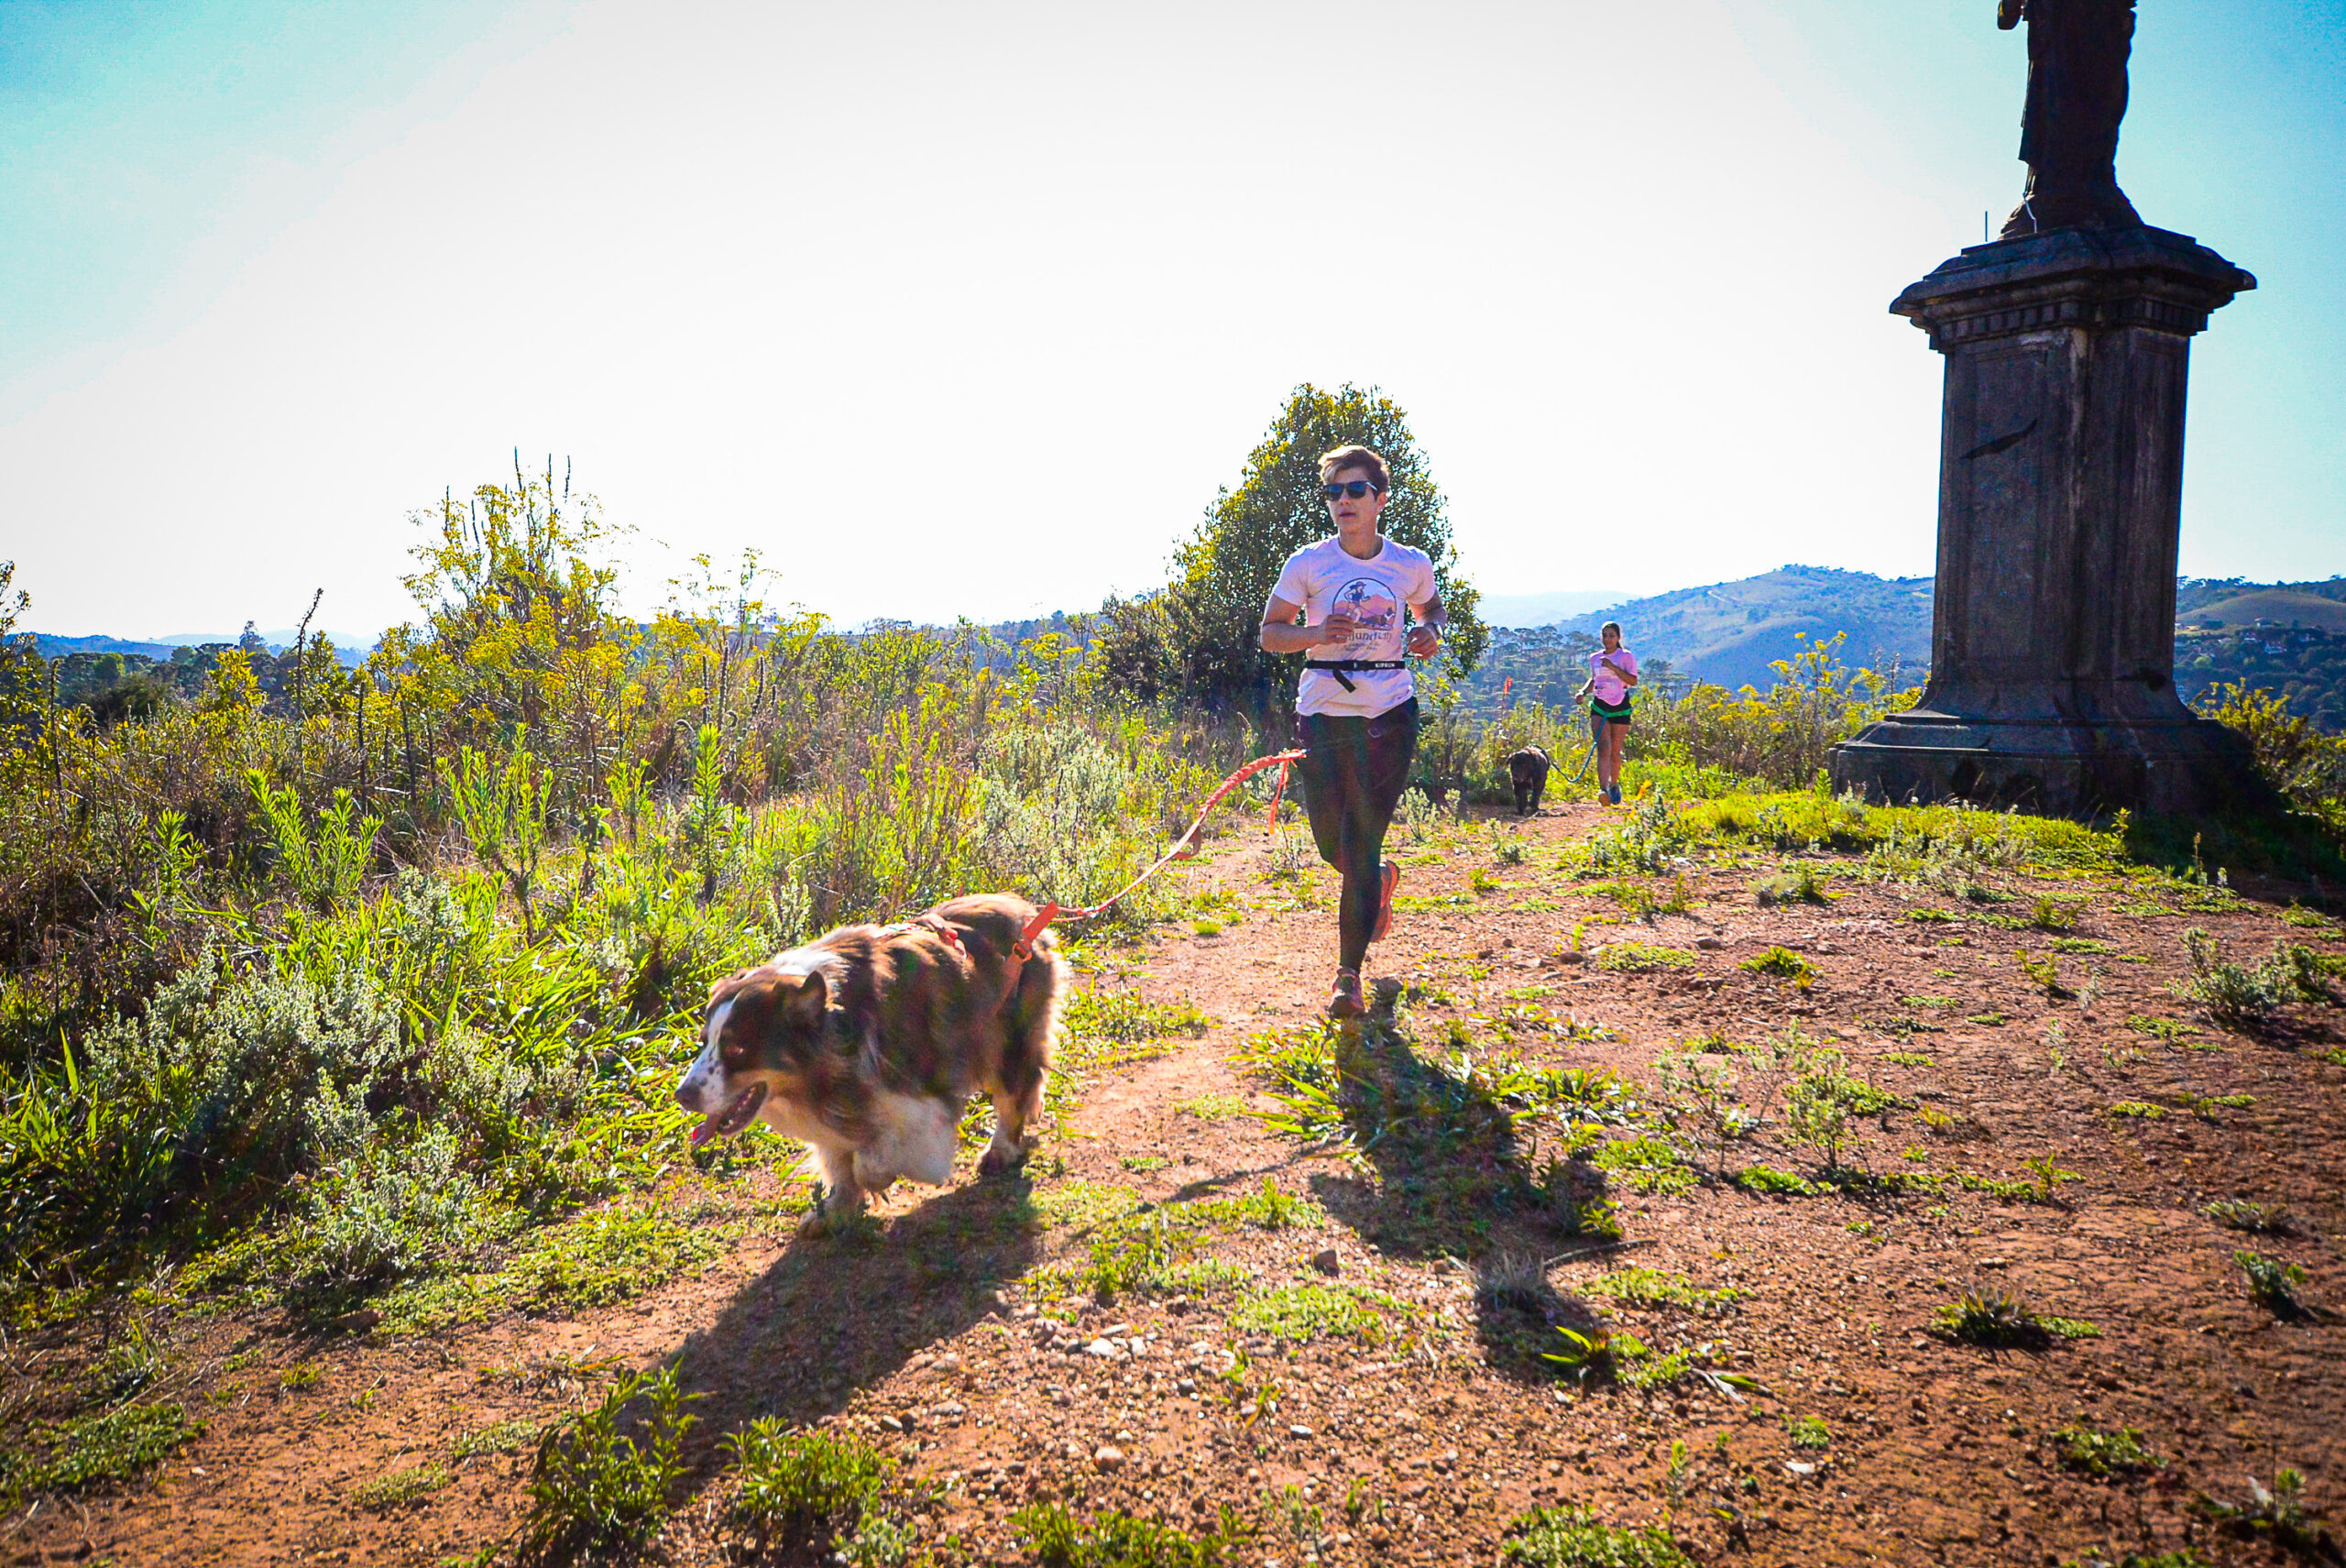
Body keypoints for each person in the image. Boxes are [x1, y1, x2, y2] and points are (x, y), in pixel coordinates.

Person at [1259, 444, 1445, 1019]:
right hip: (1322, 714)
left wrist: (1431, 633)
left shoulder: (1410, 563)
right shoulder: (1308, 564)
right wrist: (1316, 633)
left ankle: (1348, 977)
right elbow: (1271, 633)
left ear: (1380, 499)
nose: (1343, 500)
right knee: (1329, 844)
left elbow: (1433, 609)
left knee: (1361, 843)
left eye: (1355, 489)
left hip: (1389, 713)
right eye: (1334, 492)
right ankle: (1377, 880)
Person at [1576, 620, 1638, 806]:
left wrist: (1613, 667)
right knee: (1603, 747)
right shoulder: (1595, 658)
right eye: (1605, 635)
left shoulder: (1625, 656)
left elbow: (1633, 681)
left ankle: (1614, 785)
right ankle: (1603, 790)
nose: (1608, 639)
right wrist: (1583, 692)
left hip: (1620, 706)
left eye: (1611, 636)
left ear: (1618, 637)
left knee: (1615, 751)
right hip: (1599, 706)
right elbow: (1594, 679)